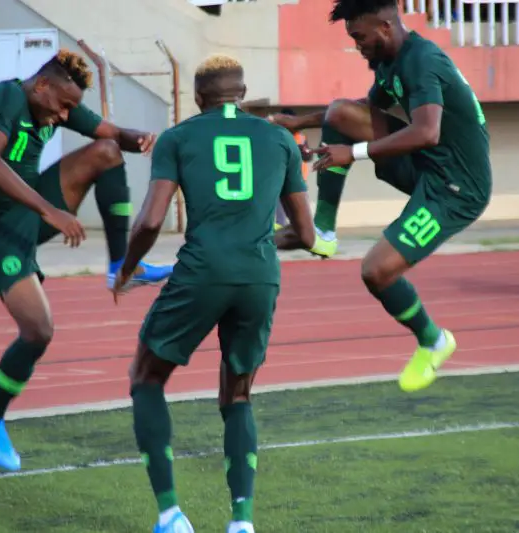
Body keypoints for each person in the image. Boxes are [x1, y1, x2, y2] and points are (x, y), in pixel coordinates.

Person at [111, 54, 315, 533]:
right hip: (260, 276)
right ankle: (241, 521)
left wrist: (127, 268)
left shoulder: (178, 138)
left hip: (201, 272)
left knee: (146, 377)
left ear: (198, 97)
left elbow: (151, 220)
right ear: (241, 94)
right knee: (238, 395)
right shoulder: (279, 139)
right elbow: (306, 234)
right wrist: (252, 245)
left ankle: (170, 515)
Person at [0, 49, 174, 471]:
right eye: (61, 106)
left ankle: (121, 268)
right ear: (41, 85)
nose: (63, 116)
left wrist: (141, 139)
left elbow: (112, 133)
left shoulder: (56, 102)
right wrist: (49, 211)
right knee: (38, 330)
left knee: (107, 150)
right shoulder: (7, 97)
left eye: (69, 109)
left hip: (30, 211)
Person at [270, 0, 492, 392]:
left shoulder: (422, 60)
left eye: (359, 37)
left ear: (385, 27)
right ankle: (323, 232)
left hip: (455, 189)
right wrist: (298, 121)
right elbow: (365, 109)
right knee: (339, 113)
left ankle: (434, 341)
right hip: (425, 165)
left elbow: (427, 132)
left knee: (376, 270)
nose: (356, 45)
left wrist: (353, 153)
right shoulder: (391, 60)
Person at [273, 108, 313, 230]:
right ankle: (281, 229)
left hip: (299, 180)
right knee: (280, 213)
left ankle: (302, 232)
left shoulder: (301, 137)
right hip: (280, 180)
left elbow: (308, 157)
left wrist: (301, 150)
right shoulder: (276, 136)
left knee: (300, 211)